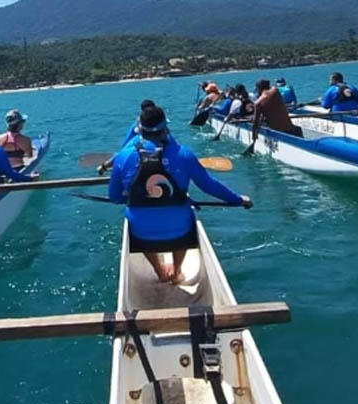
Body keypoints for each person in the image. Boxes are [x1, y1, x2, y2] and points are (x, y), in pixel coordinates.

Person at [108, 106, 252, 284]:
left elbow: (114, 196)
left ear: (140, 129)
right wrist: (238, 200)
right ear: (165, 128)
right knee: (184, 213)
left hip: (142, 234)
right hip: (180, 233)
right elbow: (210, 186)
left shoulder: (123, 156)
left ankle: (160, 271)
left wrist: (137, 196)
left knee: (138, 217)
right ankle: (176, 272)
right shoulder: (184, 154)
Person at [248, 79, 303, 151]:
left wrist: (254, 136)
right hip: (291, 129)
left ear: (258, 89)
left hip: (279, 133)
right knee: (298, 129)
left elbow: (256, 122)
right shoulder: (275, 91)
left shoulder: (258, 103)